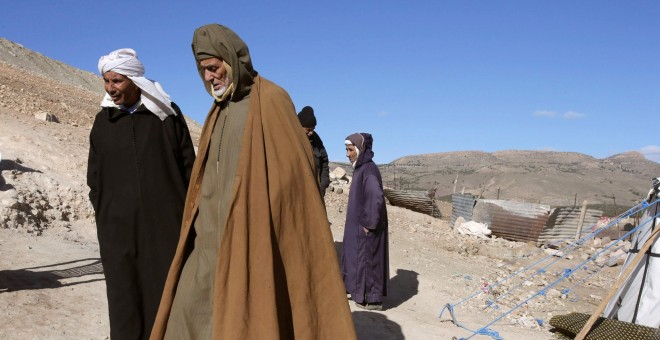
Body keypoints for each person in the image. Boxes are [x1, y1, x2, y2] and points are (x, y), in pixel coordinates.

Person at [151, 24, 356, 339]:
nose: (208, 77)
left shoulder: (272, 100)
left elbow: (294, 183)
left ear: (231, 59)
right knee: (188, 314)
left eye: (213, 68)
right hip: (208, 243)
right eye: (202, 70)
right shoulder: (219, 110)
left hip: (251, 240)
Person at [87, 48, 195, 340]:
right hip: (118, 232)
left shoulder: (166, 117)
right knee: (124, 299)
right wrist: (107, 215)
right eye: (107, 81)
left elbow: (190, 171)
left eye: (118, 81)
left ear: (135, 81)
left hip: (166, 230)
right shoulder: (103, 122)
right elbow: (94, 178)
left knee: (165, 296)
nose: (111, 88)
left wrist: (184, 219)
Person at [342, 132, 389, 310]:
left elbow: (375, 197)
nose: (347, 154)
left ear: (360, 149)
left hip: (366, 226)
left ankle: (371, 298)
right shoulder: (361, 168)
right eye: (346, 149)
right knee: (355, 256)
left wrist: (369, 223)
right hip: (359, 224)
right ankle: (355, 290)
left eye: (350, 149)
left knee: (367, 260)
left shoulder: (368, 170)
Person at [297, 106, 330, 198]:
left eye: (313, 129)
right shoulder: (291, 140)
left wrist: (323, 185)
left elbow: (324, 163)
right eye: (308, 129)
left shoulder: (316, 140)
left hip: (316, 190)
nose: (311, 132)